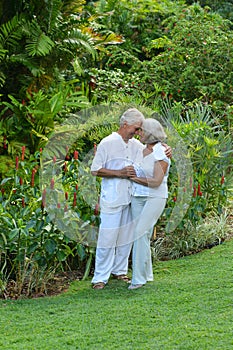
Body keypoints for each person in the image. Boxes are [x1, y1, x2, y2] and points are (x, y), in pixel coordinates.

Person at [91, 109, 171, 290]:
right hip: (112, 197)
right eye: (136, 128)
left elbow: (154, 150)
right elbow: (95, 170)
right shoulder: (107, 143)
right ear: (125, 124)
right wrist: (118, 173)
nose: (138, 132)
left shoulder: (137, 145)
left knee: (127, 237)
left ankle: (120, 271)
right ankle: (100, 277)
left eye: (140, 129)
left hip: (133, 196)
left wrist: (166, 148)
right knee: (107, 237)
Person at [127, 118, 171, 290]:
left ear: (150, 133)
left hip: (155, 197)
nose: (138, 133)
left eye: (141, 131)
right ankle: (147, 274)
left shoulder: (161, 152)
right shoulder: (141, 149)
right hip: (138, 196)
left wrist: (133, 178)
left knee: (139, 233)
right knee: (141, 235)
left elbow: (156, 182)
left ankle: (138, 279)